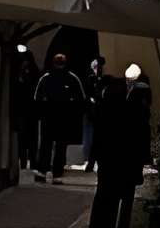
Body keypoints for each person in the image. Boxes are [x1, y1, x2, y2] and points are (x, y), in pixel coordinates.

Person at [89, 62, 152, 228]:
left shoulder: (108, 105)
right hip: (126, 155)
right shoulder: (135, 108)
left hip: (109, 154)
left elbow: (99, 132)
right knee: (124, 192)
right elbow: (141, 132)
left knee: (105, 191)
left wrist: (94, 157)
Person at [32, 49, 87, 182]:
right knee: (59, 146)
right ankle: (56, 173)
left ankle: (43, 172)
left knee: (47, 145)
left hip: (50, 117)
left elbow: (37, 98)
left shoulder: (46, 78)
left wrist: (40, 112)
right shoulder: (71, 78)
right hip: (62, 118)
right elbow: (81, 99)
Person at [11, 45, 39, 172]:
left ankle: (30, 162)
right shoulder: (20, 72)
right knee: (23, 138)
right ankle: (24, 162)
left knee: (28, 138)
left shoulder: (31, 73)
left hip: (28, 110)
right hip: (24, 110)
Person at [79, 54, 106, 171]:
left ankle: (92, 162)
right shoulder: (90, 79)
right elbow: (86, 94)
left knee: (96, 139)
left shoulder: (102, 80)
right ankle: (90, 161)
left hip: (98, 113)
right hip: (92, 112)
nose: (98, 69)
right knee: (91, 138)